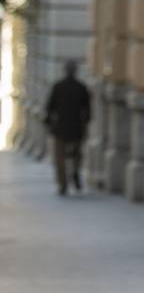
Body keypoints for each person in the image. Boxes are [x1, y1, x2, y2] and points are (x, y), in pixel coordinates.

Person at [45, 60, 90, 196]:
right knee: (76, 155)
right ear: (76, 71)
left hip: (60, 128)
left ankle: (63, 183)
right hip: (76, 128)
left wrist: (48, 122)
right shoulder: (81, 88)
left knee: (60, 158)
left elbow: (50, 107)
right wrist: (85, 124)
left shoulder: (58, 87)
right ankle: (75, 172)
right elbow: (88, 110)